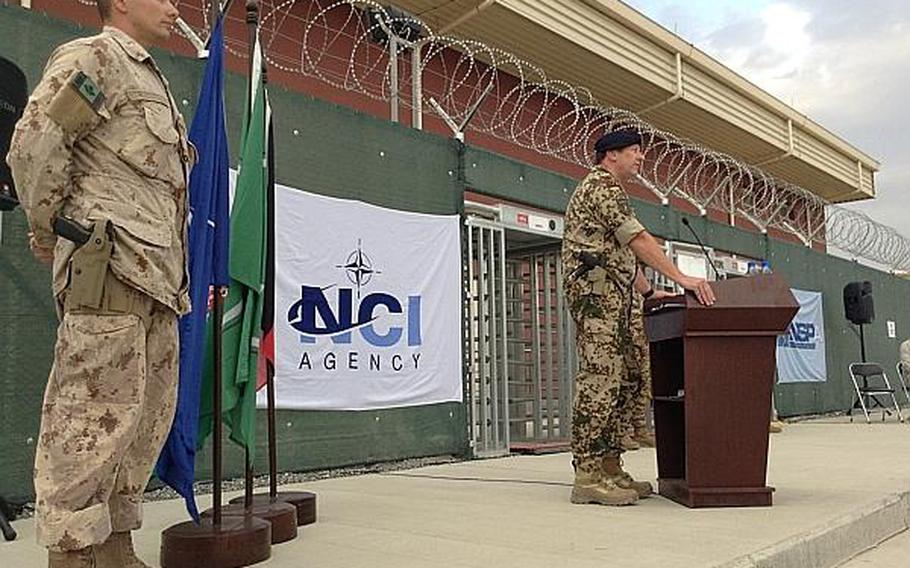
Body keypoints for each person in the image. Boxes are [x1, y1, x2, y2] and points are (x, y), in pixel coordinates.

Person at [7, 1, 192, 566]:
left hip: (158, 279)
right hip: (109, 268)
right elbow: (35, 146)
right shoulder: (94, 59)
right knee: (89, 420)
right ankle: (71, 553)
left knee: (142, 422)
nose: (174, 6)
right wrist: (48, 228)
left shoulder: (149, 78)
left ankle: (114, 546)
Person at [562, 128, 714, 506]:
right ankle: (588, 474)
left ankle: (611, 466)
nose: (641, 157)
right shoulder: (601, 188)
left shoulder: (612, 190)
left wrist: (648, 291)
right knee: (600, 379)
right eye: (634, 151)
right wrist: (682, 278)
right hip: (596, 298)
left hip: (618, 295)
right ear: (611, 155)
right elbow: (639, 240)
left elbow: (622, 253)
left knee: (624, 377)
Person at [621, 267, 673, 451]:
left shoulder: (643, 285)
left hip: (643, 338)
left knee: (644, 385)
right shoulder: (622, 280)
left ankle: (640, 429)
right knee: (628, 385)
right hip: (628, 340)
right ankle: (623, 431)